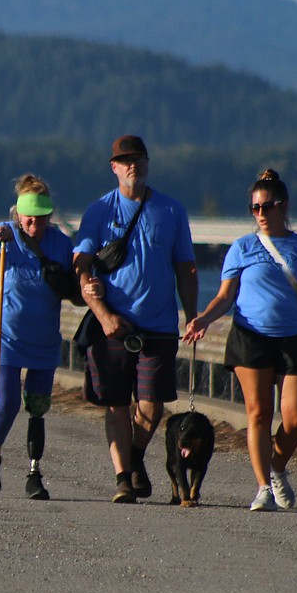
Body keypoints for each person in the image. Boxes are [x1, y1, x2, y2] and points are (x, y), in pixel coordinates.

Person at [184, 169, 297, 511]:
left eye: (267, 207)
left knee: (295, 418)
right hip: (250, 336)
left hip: (294, 337)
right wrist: (203, 320)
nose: (261, 214)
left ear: (283, 206)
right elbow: (225, 296)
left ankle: (277, 469)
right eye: (255, 208)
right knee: (258, 413)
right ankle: (263, 487)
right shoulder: (242, 248)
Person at [73, 135, 198, 503]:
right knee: (115, 404)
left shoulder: (172, 211)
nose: (133, 166)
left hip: (159, 324)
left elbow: (186, 268)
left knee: (151, 404)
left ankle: (135, 458)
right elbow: (80, 265)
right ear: (114, 167)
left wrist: (193, 316)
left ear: (147, 163)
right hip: (113, 324)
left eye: (139, 159)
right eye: (125, 161)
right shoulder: (98, 211)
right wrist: (102, 313)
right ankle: (122, 478)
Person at [0, 174, 84, 499]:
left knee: (38, 406)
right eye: (30, 219)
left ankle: (34, 473)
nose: (35, 224)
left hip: (43, 338)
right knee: (6, 402)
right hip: (3, 336)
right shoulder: (0, 234)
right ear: (18, 214)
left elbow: (76, 292)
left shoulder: (60, 243)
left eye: (41, 219)